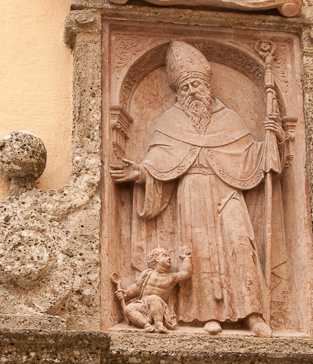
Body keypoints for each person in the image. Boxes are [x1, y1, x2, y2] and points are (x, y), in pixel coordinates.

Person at [110, 41, 281, 337]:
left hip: (227, 190)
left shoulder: (228, 119)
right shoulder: (171, 121)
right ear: (178, 92)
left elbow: (250, 155)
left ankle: (253, 314)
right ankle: (208, 315)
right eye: (185, 87)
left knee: (240, 245)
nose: (191, 91)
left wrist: (271, 141)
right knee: (199, 253)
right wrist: (141, 173)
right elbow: (159, 161)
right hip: (192, 192)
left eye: (196, 84)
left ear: (207, 86)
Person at [116, 246, 192, 333]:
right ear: (156, 259)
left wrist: (187, 258)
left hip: (159, 308)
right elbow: (137, 287)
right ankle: (146, 325)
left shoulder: (171, 277)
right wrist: (125, 294)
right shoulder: (147, 274)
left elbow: (186, 273)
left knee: (153, 298)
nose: (169, 258)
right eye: (164, 256)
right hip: (144, 306)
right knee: (129, 309)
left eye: (168, 256)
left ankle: (159, 325)